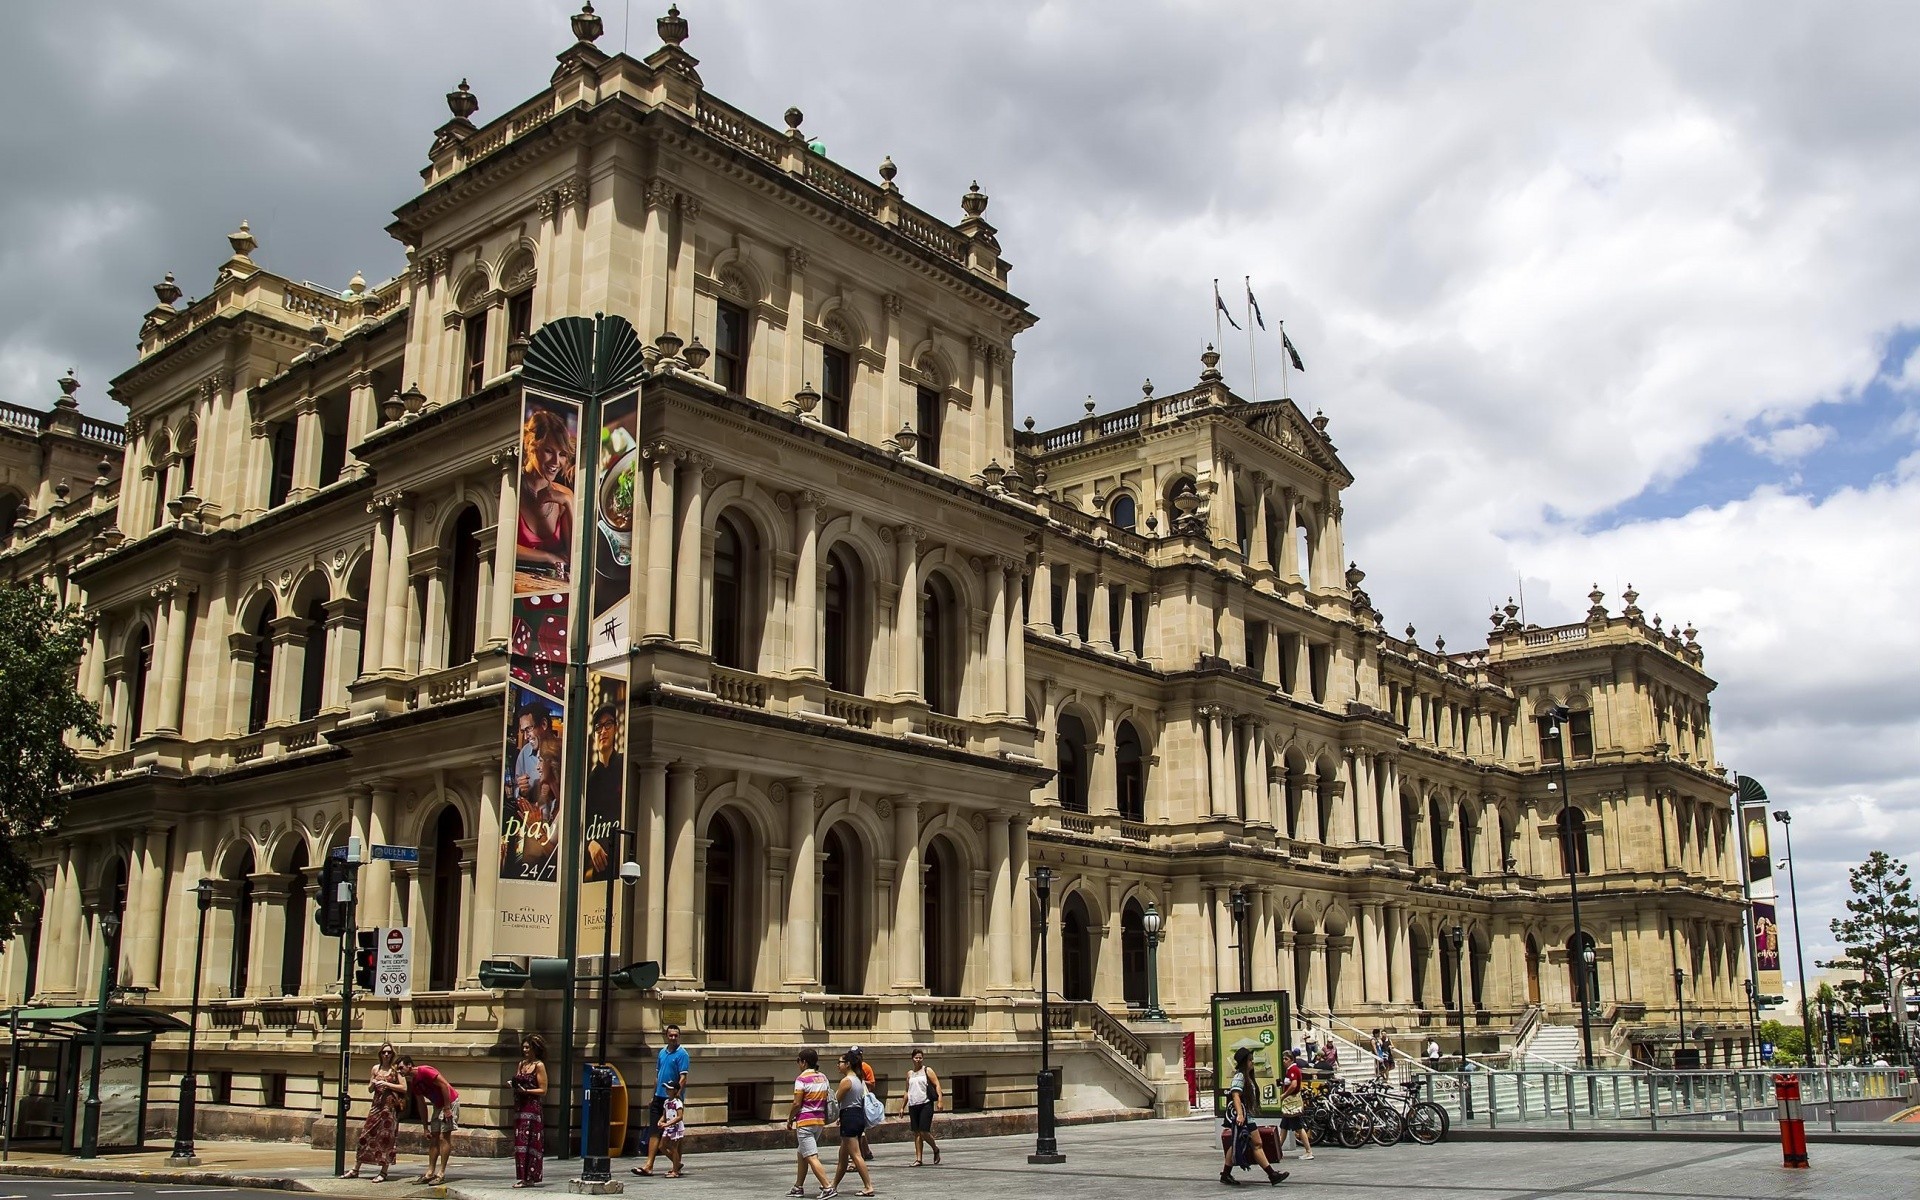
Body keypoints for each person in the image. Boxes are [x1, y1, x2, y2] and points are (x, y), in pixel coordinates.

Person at [517, 405, 576, 575]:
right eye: (549, 451)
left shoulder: (564, 495)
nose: (556, 462)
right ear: (531, 446)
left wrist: (567, 502)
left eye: (562, 454)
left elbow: (576, 557)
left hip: (552, 589)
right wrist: (547, 556)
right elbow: (501, 544)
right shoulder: (511, 487)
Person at [1220, 1046, 1288, 1186]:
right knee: (1257, 1144)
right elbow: (1235, 1095)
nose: (1253, 1063)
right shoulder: (1240, 1076)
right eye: (1250, 1060)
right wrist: (1240, 1114)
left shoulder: (1247, 1077)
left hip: (1247, 1116)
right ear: (1244, 1062)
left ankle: (1226, 1174)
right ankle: (1272, 1174)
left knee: (1237, 1144)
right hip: (1244, 1117)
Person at [342, 1041, 407, 1181]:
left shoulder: (395, 1070)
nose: (386, 1054)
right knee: (365, 1136)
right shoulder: (375, 1069)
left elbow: (404, 1088)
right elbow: (370, 1088)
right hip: (376, 1107)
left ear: (392, 1054)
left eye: (389, 1052)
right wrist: (373, 1083)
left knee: (386, 1140)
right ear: (380, 1054)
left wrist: (387, 1084)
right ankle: (355, 1169)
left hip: (389, 1110)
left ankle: (383, 1172)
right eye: (384, 1052)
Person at [632, 1024, 690, 1177]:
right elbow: (657, 1076)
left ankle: (676, 1166)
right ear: (666, 1036)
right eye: (670, 1035)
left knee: (675, 1135)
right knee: (654, 1130)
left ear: (679, 1036)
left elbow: (683, 1077)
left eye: (676, 1035)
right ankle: (649, 1165)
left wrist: (676, 1095)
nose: (673, 1038)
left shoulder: (682, 1054)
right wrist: (653, 1095)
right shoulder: (662, 1053)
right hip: (659, 1097)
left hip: (671, 1098)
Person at [401, 1056, 459, 1185]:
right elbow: (421, 1104)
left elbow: (444, 1085)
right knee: (434, 1137)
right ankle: (430, 1172)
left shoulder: (425, 1071)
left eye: (401, 1068)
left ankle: (441, 1173)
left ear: (409, 1065)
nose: (400, 1071)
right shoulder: (414, 1082)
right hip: (437, 1105)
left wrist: (447, 1108)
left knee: (444, 1137)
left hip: (449, 1101)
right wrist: (425, 1127)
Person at [582, 703, 625, 879]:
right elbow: (584, 820)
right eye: (598, 727)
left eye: (608, 725)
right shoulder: (591, 780)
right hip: (599, 866)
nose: (603, 731)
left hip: (622, 859)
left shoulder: (623, 765)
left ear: (615, 729)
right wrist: (589, 842)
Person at [785, 1048, 835, 1199]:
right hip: (819, 1121)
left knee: (811, 1156)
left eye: (799, 1061)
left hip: (805, 1122)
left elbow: (796, 1103)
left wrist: (789, 1119)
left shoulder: (801, 1079)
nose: (798, 1064)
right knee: (802, 1153)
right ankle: (798, 1187)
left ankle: (827, 1187)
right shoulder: (823, 1077)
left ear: (804, 1062)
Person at [831, 1050, 874, 1197]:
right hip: (856, 1115)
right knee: (843, 1156)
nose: (838, 1065)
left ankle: (868, 1186)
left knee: (856, 1155)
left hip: (849, 1116)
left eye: (840, 1062)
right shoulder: (859, 1079)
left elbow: (836, 1099)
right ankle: (833, 1185)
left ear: (848, 1064)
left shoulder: (847, 1081)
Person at [511, 1035, 549, 1188]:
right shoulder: (521, 1064)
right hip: (520, 1106)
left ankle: (531, 1177)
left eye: (528, 1047)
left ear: (535, 1048)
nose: (525, 1050)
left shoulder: (539, 1066)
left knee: (530, 1143)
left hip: (532, 1108)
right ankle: (522, 1177)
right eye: (524, 1047)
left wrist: (527, 1090)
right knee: (520, 1142)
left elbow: (543, 1090)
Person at [903, 1046, 941, 1166]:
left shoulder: (927, 1070)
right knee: (917, 1133)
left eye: (920, 1057)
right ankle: (919, 1159)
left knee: (924, 1131)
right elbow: (907, 1091)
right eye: (916, 1057)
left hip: (926, 1103)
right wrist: (902, 1106)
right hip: (913, 1104)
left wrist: (940, 1100)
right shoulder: (910, 1073)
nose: (918, 1060)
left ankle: (935, 1148)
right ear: (912, 1059)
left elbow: (937, 1085)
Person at [1277, 1048, 1313, 1161]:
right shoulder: (1291, 1070)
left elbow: (1293, 1085)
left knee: (1298, 1127)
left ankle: (1308, 1151)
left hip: (1292, 1104)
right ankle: (1277, 1151)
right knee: (1284, 1127)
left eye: (1286, 1059)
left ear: (1291, 1060)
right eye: (1283, 1059)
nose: (1284, 1061)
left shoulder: (1293, 1070)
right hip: (1289, 1105)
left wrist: (1284, 1095)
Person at [848, 1044, 878, 1161]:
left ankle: (857, 1155)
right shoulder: (849, 1068)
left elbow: (872, 1084)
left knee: (859, 1130)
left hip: (863, 1099)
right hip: (854, 1099)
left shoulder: (865, 1067)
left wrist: (861, 1082)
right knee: (860, 1130)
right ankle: (866, 1152)